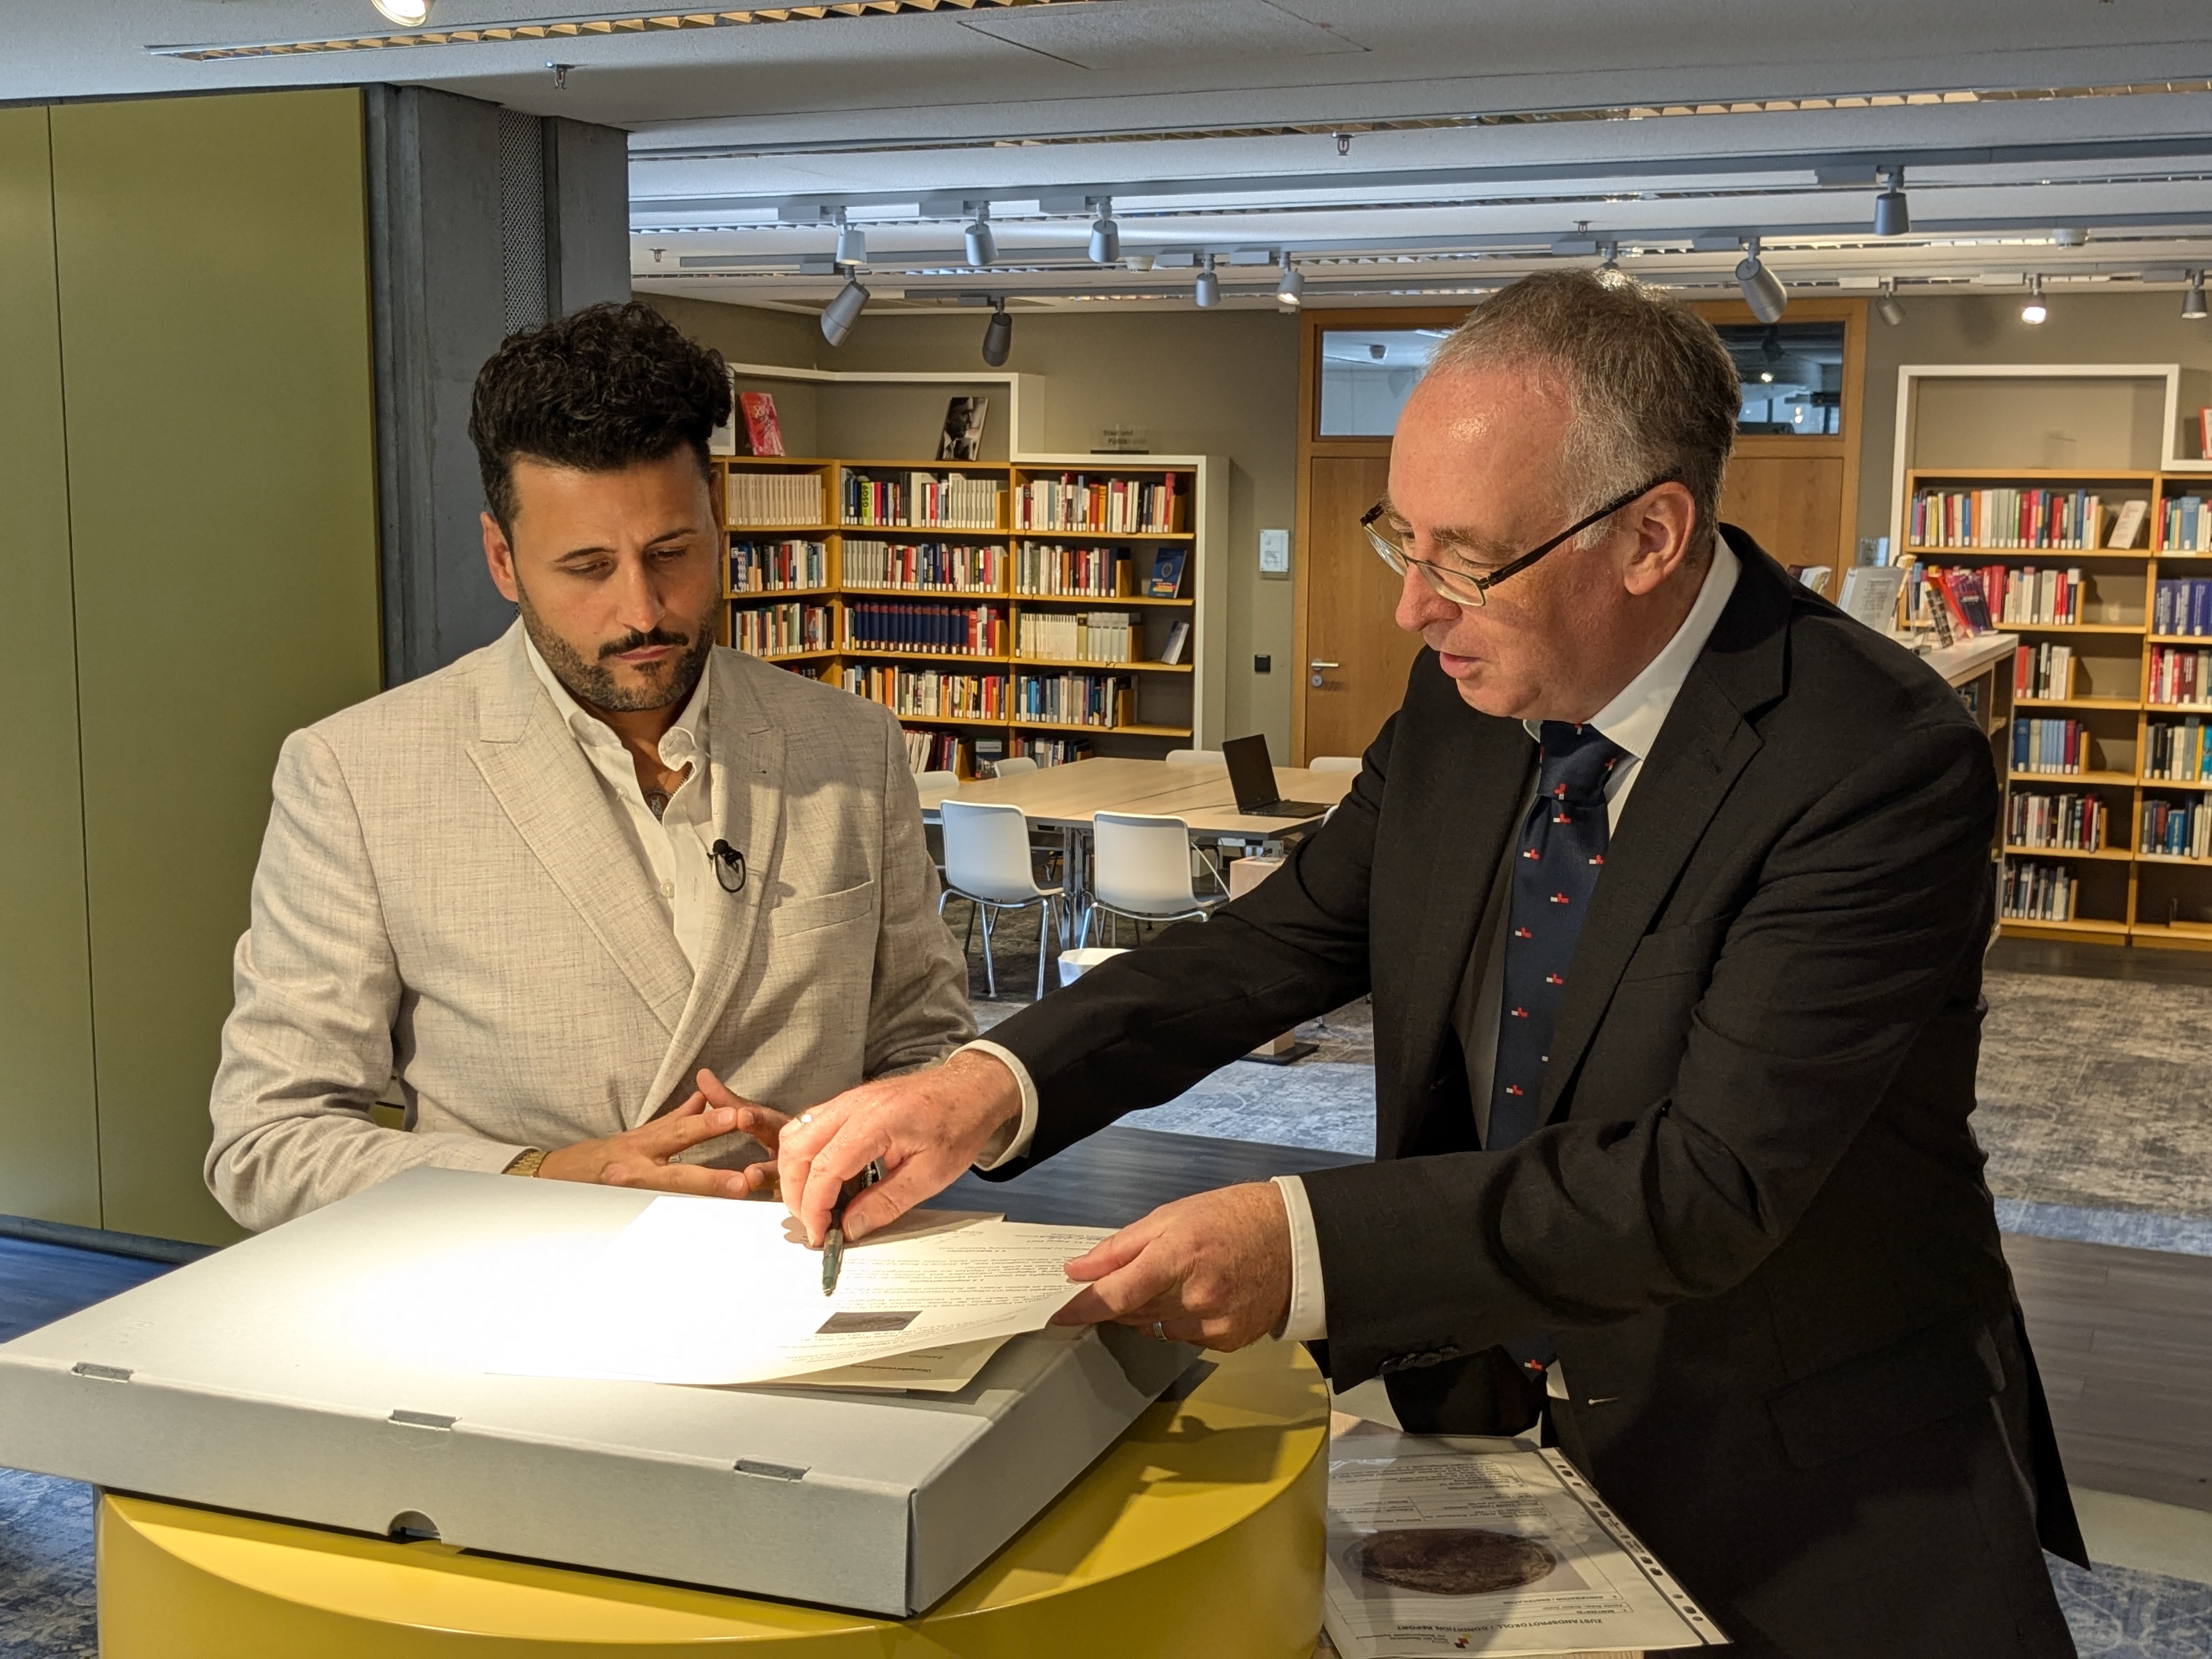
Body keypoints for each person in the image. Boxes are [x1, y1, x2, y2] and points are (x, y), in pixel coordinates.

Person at [731, 273, 2087, 1656]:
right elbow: (1279, 936)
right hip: (1488, 1428)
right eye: (1402, 541)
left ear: (1650, 536)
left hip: (1807, 1483)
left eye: (1466, 559)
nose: (1411, 611)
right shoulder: (1464, 710)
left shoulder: (1870, 755)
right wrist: (990, 1082)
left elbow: (1708, 1182)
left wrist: (1305, 1244)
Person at [207, 302, 973, 1232]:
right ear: (503, 558)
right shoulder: (357, 777)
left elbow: (927, 1046)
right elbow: (266, 1143)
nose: (642, 611)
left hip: (807, 1283)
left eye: (672, 554)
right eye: (585, 568)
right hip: (510, 1307)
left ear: (719, 517)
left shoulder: (851, 746)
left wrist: (878, 1140)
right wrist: (542, 1176)